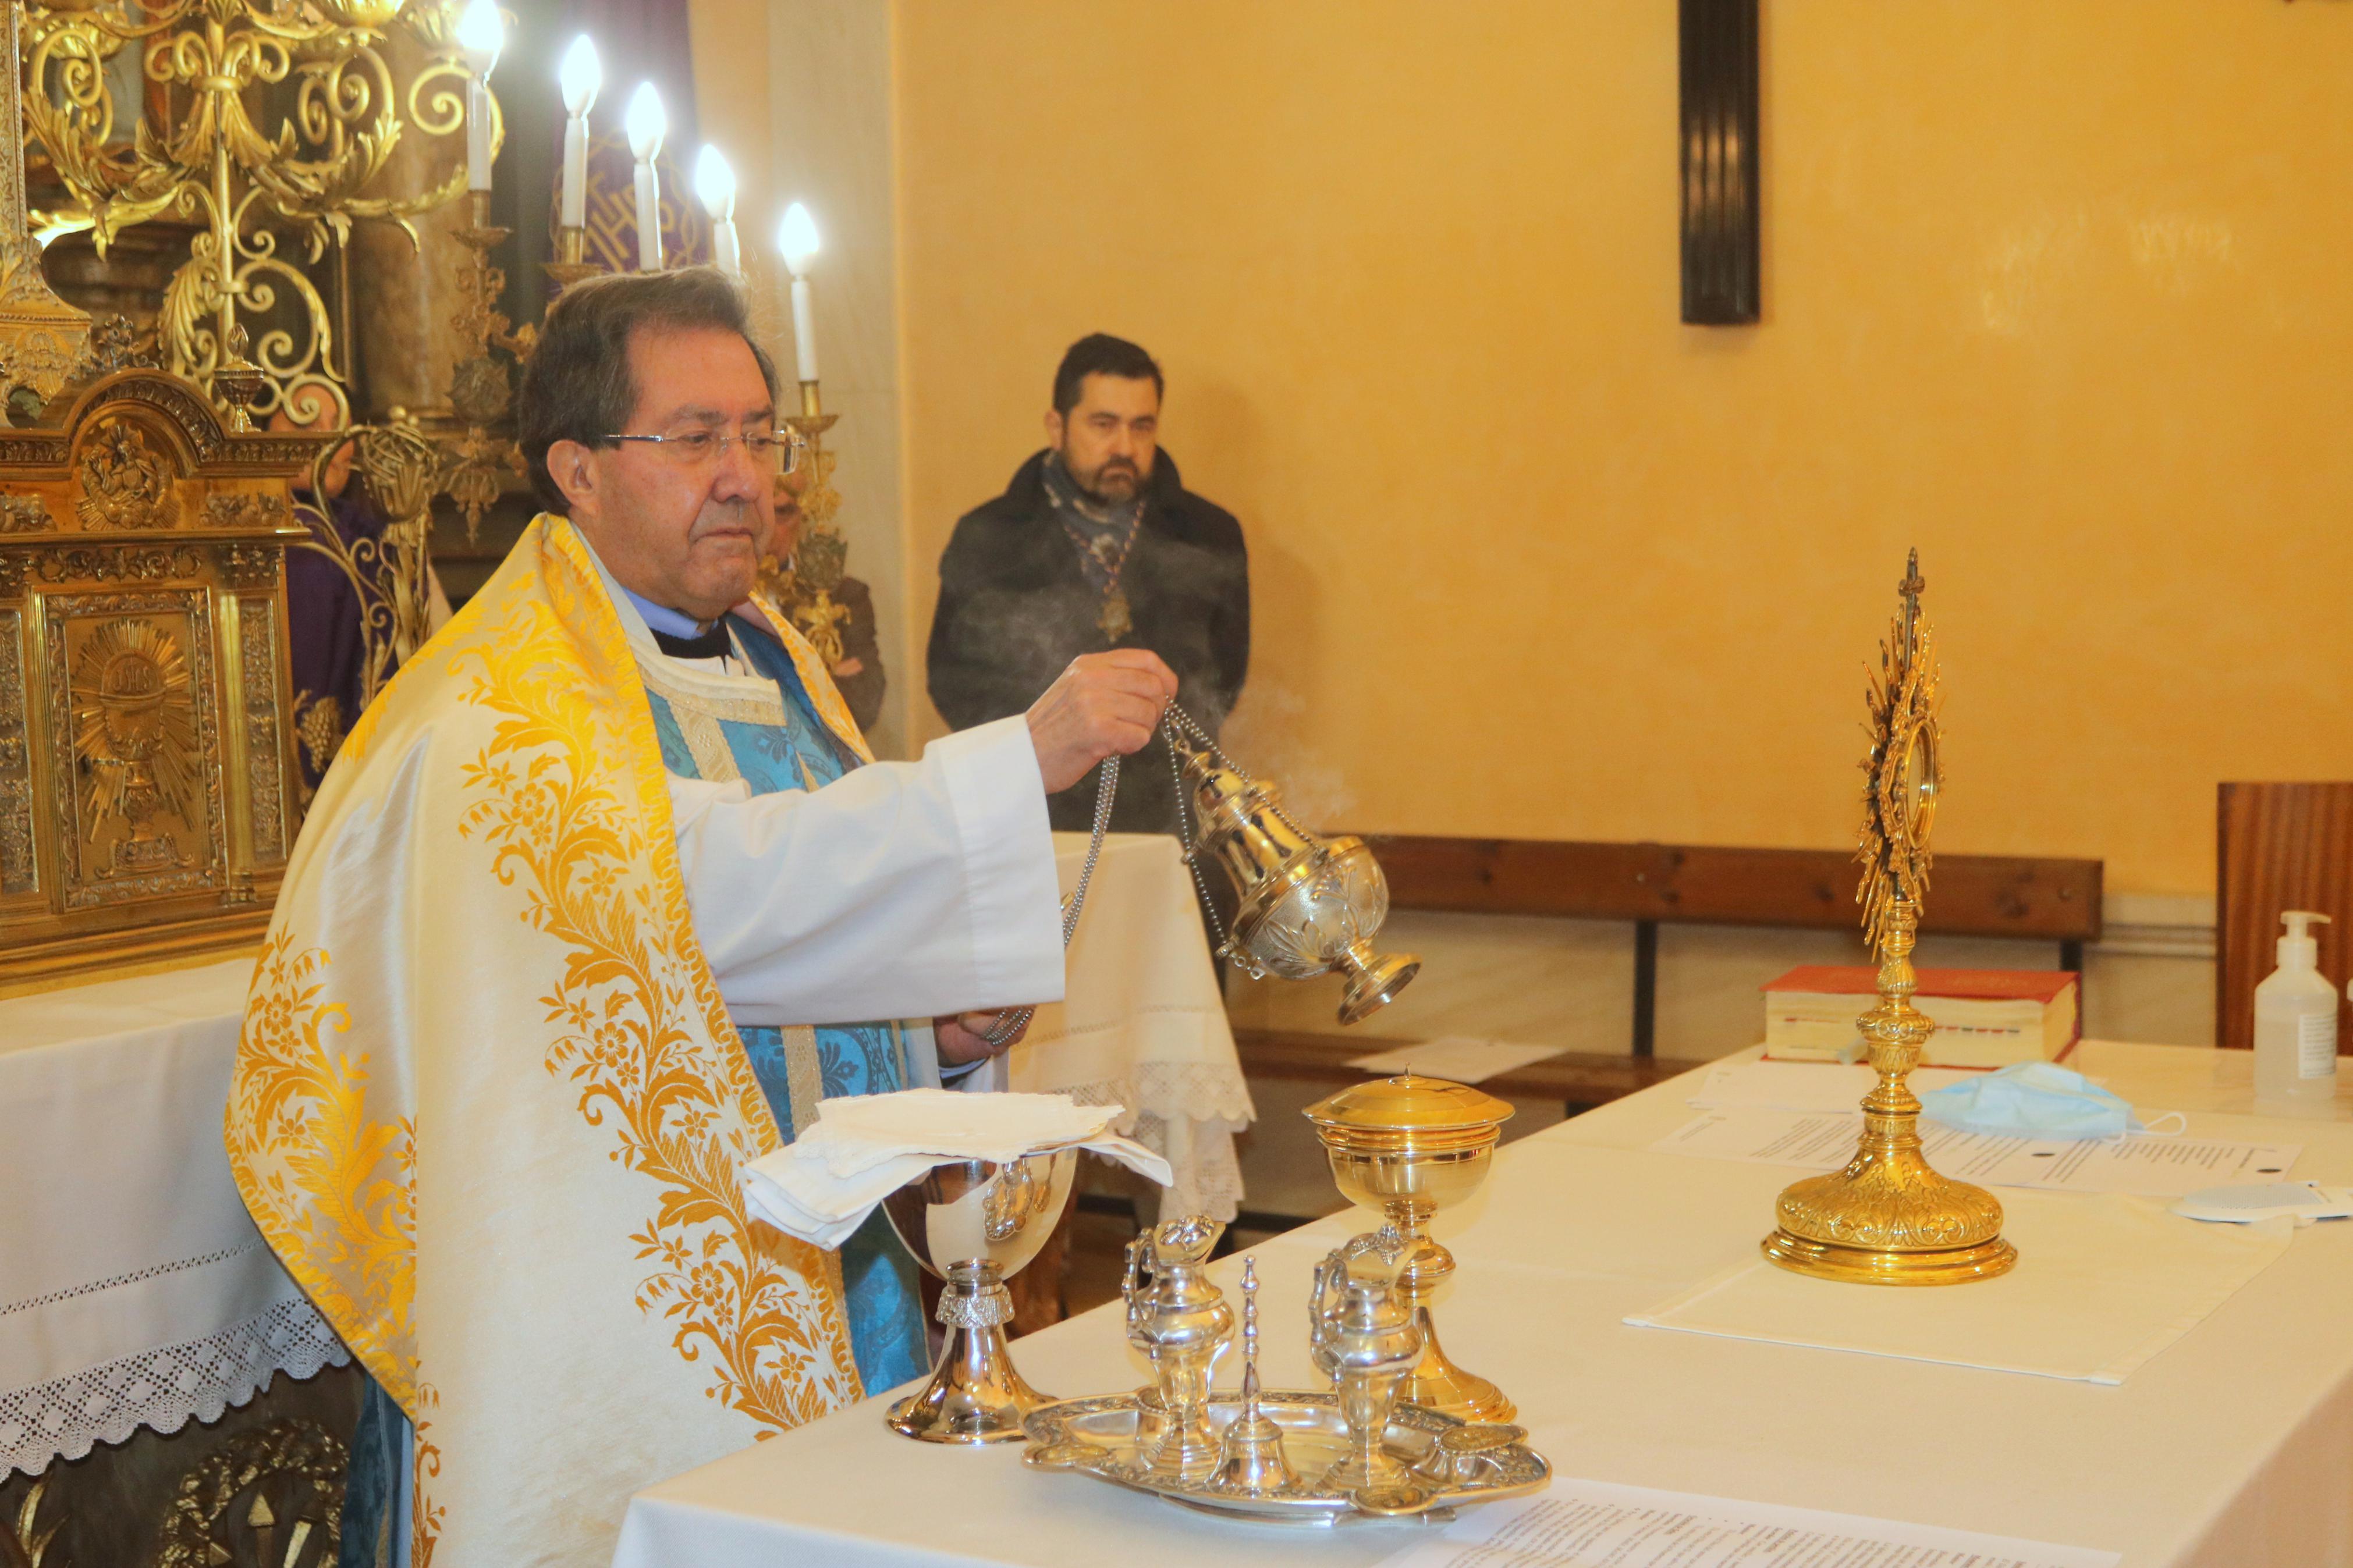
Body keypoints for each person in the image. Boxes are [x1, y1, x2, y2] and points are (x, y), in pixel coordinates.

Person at [223, 268, 1176, 1566]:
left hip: (832, 1291)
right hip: (604, 1315)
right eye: (693, 438)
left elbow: (805, 948)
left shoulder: (767, 660)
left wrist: (933, 1028)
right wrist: (1022, 751)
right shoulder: (495, 715)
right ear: (576, 470)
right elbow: (708, 889)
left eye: (757, 434)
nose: (745, 474)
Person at [928, 333, 1249, 837]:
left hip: (1170, 819)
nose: (1125, 447)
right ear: (1057, 427)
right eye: (1103, 425)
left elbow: (1224, 675)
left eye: (1142, 426)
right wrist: (1047, 747)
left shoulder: (1209, 535)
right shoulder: (989, 537)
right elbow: (953, 680)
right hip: (1037, 813)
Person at [765, 471, 886, 734]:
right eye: (759, 509)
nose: (770, 529)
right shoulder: (710, 600)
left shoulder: (844, 596)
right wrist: (828, 681)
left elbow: (865, 702)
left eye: (782, 512)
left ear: (803, 516)